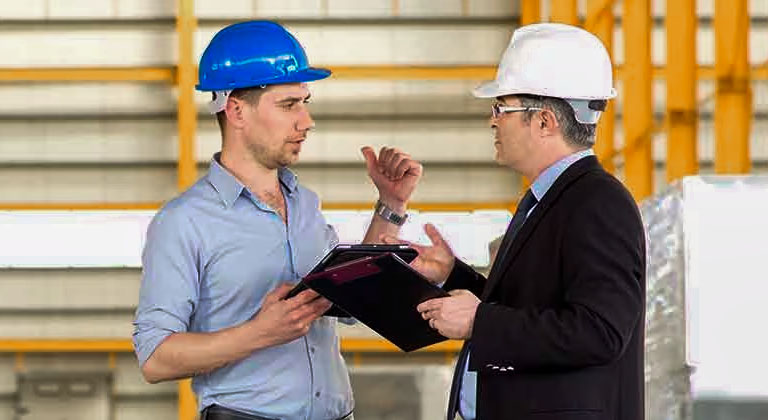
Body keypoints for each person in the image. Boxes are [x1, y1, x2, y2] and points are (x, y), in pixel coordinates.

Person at [132, 21, 423, 420]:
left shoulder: (304, 204)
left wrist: (389, 206)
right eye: (289, 105)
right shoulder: (184, 222)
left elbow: (349, 300)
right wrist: (258, 333)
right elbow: (154, 358)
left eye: (306, 103)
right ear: (236, 110)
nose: (306, 121)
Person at [386, 23, 646, 420]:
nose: (492, 121)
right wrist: (453, 274)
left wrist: (480, 321)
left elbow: (600, 331)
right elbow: (534, 307)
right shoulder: (550, 200)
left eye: (501, 108)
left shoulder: (598, 203)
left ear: (544, 122)